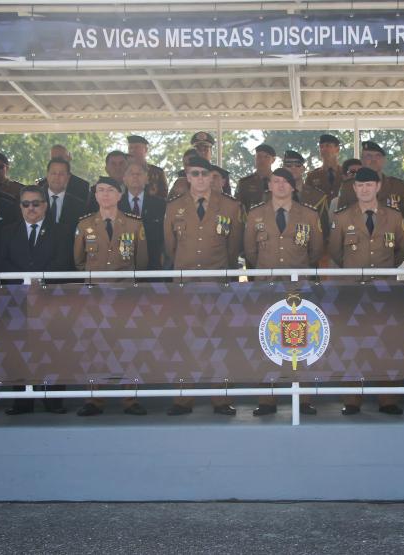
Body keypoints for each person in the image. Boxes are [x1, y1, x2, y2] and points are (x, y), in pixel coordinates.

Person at [163, 156, 242, 416]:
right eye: (194, 173)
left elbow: (233, 249)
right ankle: (182, 400)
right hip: (185, 285)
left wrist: (224, 275)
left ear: (211, 177)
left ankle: (220, 400)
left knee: (218, 341)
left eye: (203, 174)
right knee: (183, 341)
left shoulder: (230, 207)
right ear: (187, 177)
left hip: (216, 284)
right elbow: (170, 247)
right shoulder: (174, 207)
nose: (199, 178)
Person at [245, 168, 324, 417]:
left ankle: (304, 398)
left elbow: (315, 251)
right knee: (267, 342)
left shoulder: (309, 215)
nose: (280, 186)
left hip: (297, 288)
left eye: (285, 182)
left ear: (293, 187)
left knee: (302, 344)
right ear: (269, 185)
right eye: (275, 181)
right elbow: (249, 252)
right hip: (266, 287)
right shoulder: (255, 214)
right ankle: (267, 400)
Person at [329, 167, 404, 416]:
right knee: (352, 344)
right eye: (360, 186)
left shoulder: (394, 217)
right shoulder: (342, 217)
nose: (364, 189)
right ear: (354, 189)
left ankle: (388, 399)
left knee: (386, 343)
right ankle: (352, 399)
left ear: (378, 186)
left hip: (383, 291)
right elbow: (335, 253)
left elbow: (401, 251)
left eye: (369, 185)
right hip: (352, 291)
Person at [73, 176, 149, 417]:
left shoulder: (134, 224)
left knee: (128, 345)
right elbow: (78, 260)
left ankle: (130, 399)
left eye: (110, 191)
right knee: (94, 347)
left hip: (125, 296)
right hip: (95, 295)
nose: (105, 195)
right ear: (95, 195)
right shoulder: (85, 224)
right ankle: (94, 400)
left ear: (120, 195)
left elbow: (142, 262)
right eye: (100, 190)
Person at [0, 186, 73, 415]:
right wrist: (23, 285)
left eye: (36, 203)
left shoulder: (60, 231)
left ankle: (53, 401)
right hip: (17, 300)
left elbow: (63, 262)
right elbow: (1, 261)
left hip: (50, 300)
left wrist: (39, 284)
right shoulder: (7, 231)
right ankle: (22, 401)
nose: (31, 208)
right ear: (20, 207)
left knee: (53, 348)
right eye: (26, 204)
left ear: (45, 205)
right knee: (18, 349)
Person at [337, 141, 404, 222]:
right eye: (369, 156)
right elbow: (340, 219)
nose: (374, 160)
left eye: (378, 156)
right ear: (362, 160)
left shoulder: (397, 186)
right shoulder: (348, 187)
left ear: (383, 160)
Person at [119, 160, 166, 271]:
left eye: (139, 173)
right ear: (124, 179)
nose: (135, 176)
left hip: (153, 265)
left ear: (147, 179)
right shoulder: (116, 204)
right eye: (131, 173)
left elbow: (166, 237)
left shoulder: (160, 204)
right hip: (123, 265)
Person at [42, 157, 87, 245]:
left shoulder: (79, 206)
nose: (57, 177)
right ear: (47, 175)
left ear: (68, 177)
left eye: (61, 174)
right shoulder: (33, 200)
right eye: (53, 173)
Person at [236, 143, 276, 212]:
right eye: (259, 156)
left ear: (273, 160)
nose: (262, 160)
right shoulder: (244, 183)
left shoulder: (281, 183)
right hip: (251, 221)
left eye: (266, 157)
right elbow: (237, 208)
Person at [305, 134, 344, 201]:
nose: (324, 149)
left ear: (337, 149)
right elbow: (307, 200)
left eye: (328, 146)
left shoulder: (345, 173)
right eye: (321, 147)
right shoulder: (312, 176)